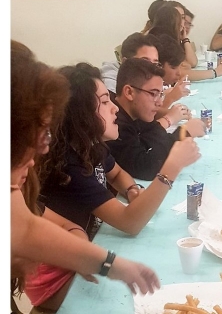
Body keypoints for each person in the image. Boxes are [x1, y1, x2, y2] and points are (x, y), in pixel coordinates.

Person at [27, 62, 200, 308]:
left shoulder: (91, 145)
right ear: (81, 115)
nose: (114, 109)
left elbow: (117, 173)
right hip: (57, 278)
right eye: (105, 103)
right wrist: (170, 170)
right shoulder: (68, 164)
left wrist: (130, 189)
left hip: (82, 249)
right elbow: (130, 223)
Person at [11, 40, 160, 312]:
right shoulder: (67, 164)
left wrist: (108, 263)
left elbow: (26, 225)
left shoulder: (86, 149)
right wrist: (169, 172)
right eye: (38, 132)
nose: (42, 149)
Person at [106, 57, 205, 180]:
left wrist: (177, 137)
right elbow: (146, 169)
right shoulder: (115, 123)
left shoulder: (136, 112)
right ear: (129, 92)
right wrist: (183, 133)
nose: (159, 102)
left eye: (160, 94)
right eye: (153, 94)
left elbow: (151, 136)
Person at [101, 32, 191, 128]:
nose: (151, 68)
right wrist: (169, 116)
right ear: (125, 62)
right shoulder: (110, 88)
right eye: (145, 62)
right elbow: (142, 129)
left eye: (155, 64)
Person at [150, 7, 222, 81]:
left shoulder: (168, 37)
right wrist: (215, 72)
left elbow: (192, 62)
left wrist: (185, 39)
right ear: (172, 22)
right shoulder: (162, 40)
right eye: (181, 19)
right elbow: (180, 74)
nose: (183, 24)